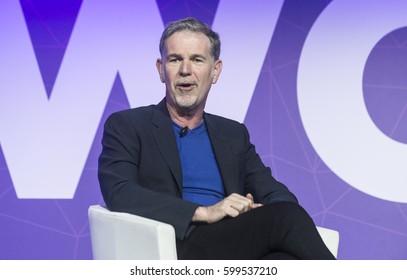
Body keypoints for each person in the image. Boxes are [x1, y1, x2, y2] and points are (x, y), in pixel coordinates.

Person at [98, 17, 335, 260]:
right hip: (175, 244)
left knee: (285, 260)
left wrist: (256, 212)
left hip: (230, 242)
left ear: (215, 71)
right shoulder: (128, 125)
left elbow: (279, 195)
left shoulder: (233, 134)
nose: (185, 70)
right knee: (286, 218)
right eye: (175, 59)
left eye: (197, 60)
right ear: (161, 70)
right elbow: (120, 191)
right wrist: (203, 212)